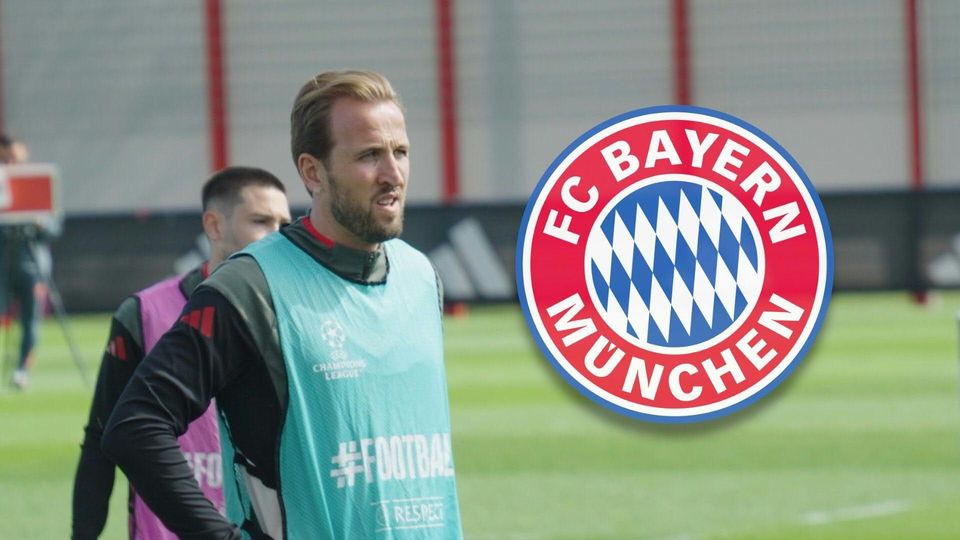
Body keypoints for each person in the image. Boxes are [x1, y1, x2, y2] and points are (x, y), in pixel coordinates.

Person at [102, 70, 464, 539]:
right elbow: (135, 426)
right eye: (369, 155)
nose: (393, 174)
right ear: (313, 172)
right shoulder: (250, 287)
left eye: (401, 152)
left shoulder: (420, 276)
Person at [72, 166, 291, 539]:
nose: (276, 236)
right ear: (214, 226)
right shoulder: (144, 313)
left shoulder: (295, 309)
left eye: (283, 225)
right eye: (261, 221)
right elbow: (100, 438)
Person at [0, 134, 50, 389]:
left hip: (32, 266)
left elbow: (53, 228)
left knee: (30, 321)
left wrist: (39, 222)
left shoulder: (37, 185)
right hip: (3, 264)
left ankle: (22, 370)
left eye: (15, 157)